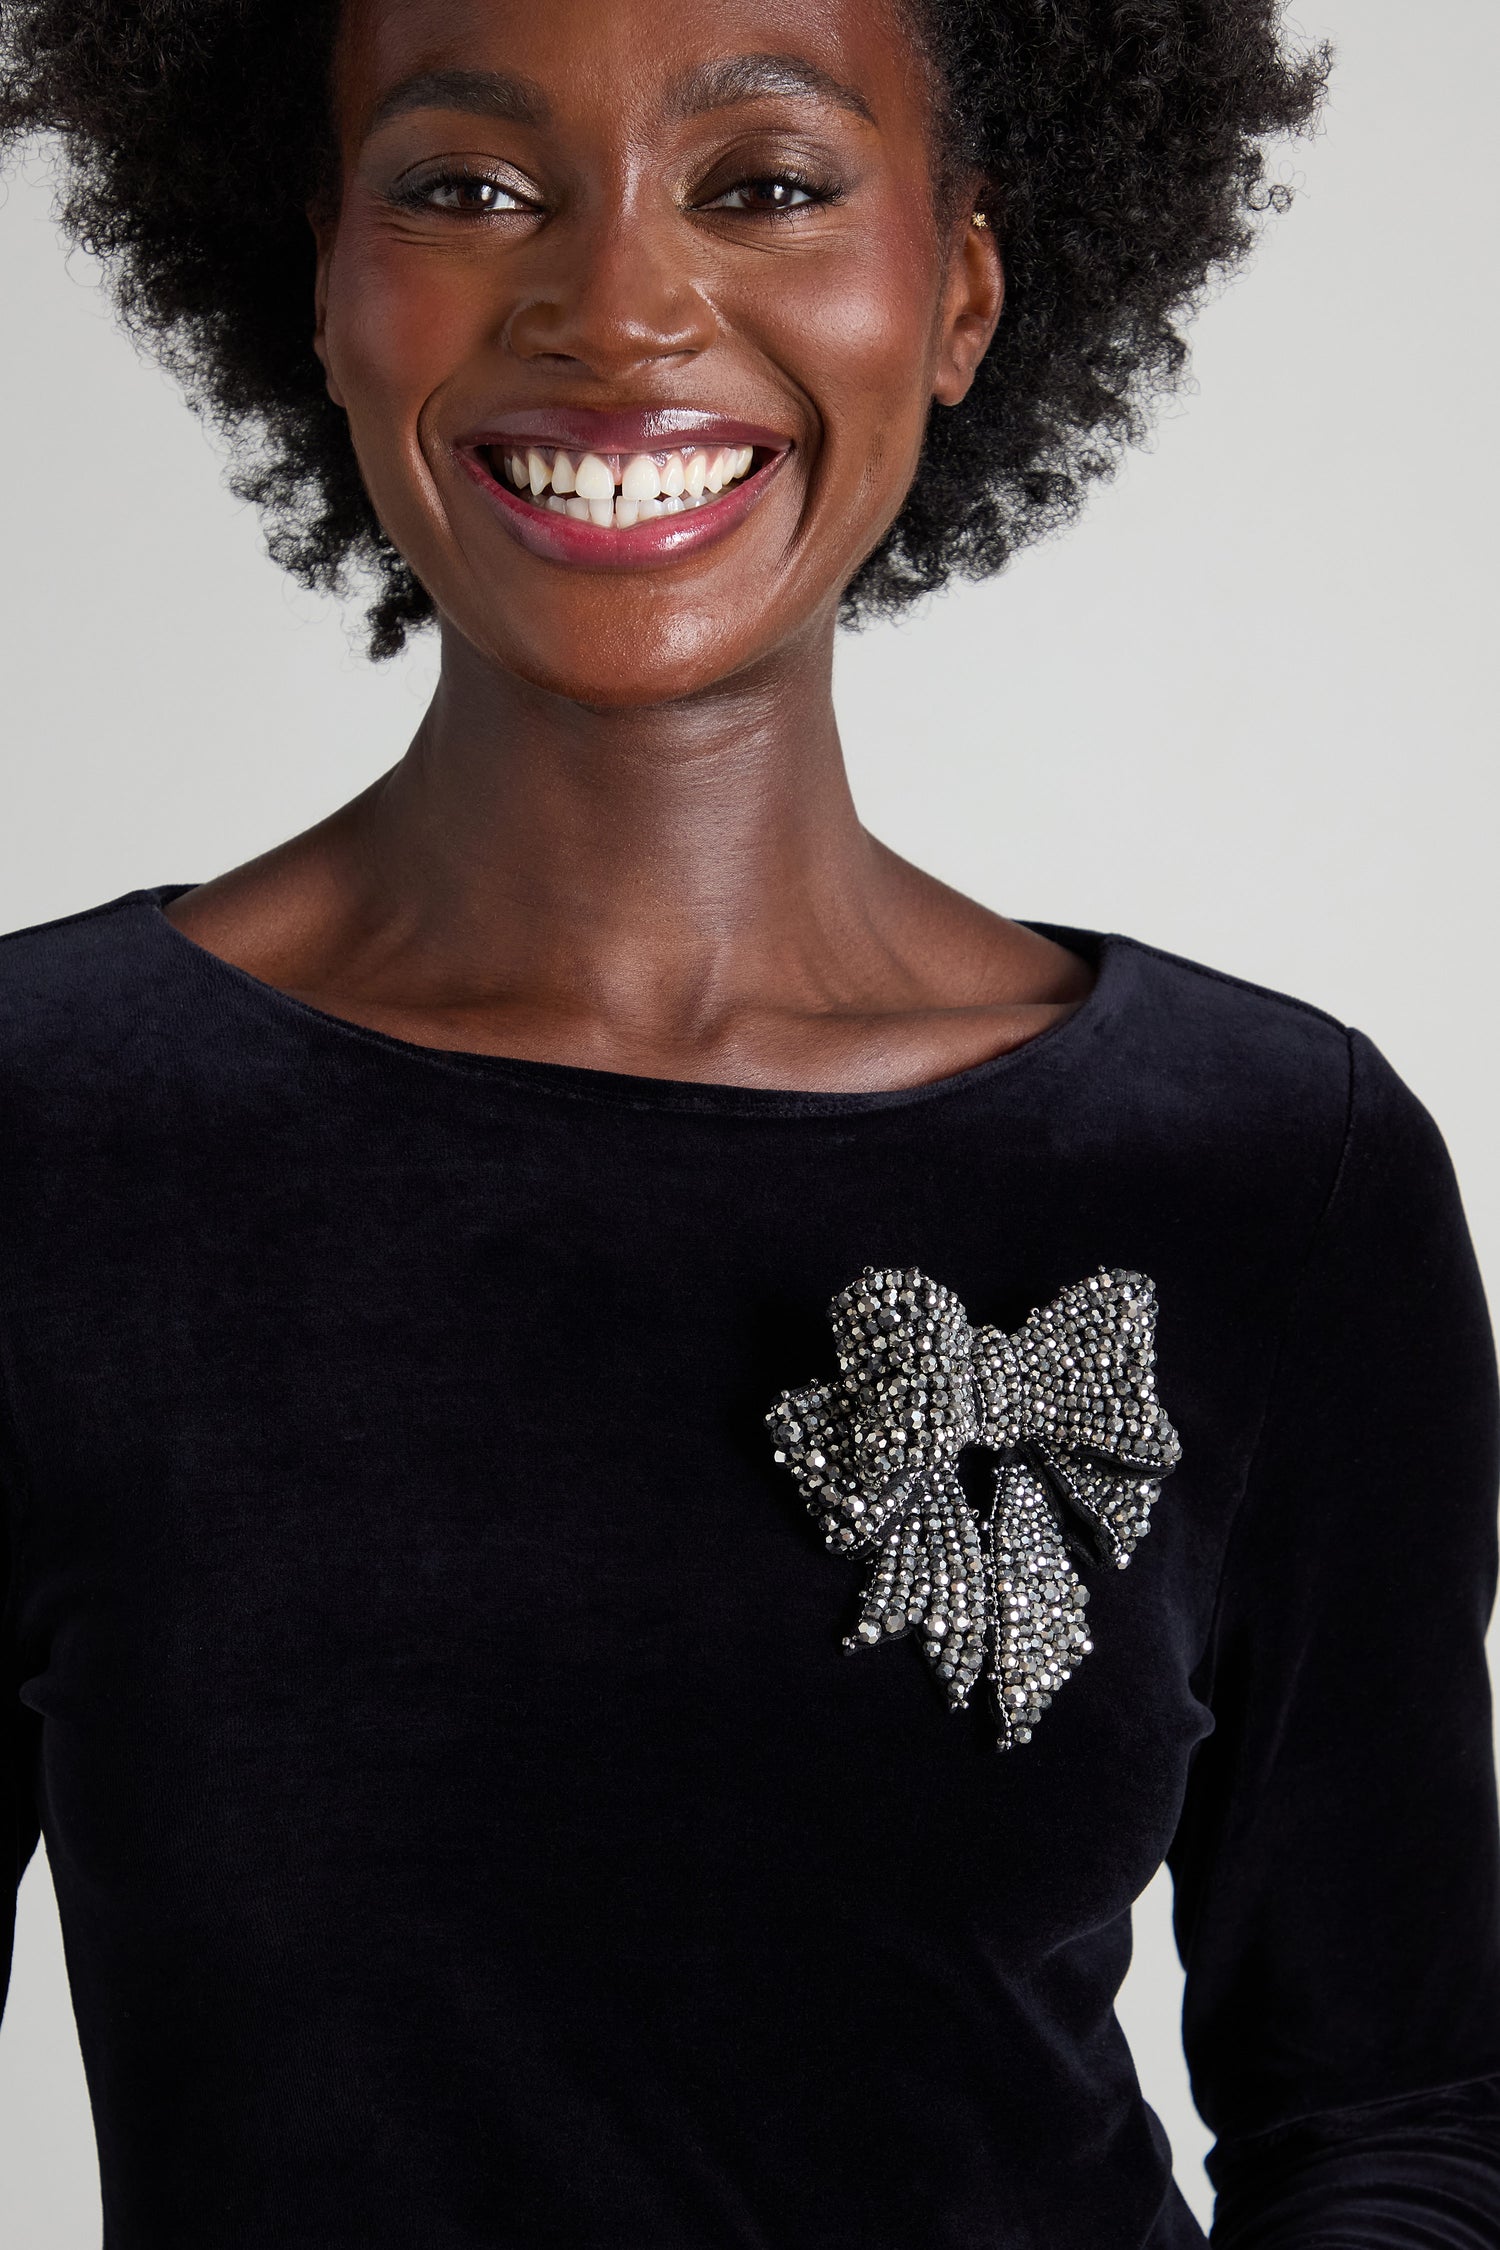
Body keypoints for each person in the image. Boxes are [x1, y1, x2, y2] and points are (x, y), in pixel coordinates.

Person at [2, 0, 1498, 2243]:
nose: (612, 306)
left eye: (768, 185)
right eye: (470, 188)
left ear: (961, 287)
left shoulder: (1270, 1167)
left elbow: (1409, 2119)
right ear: (325, 277)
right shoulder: (48, 1126)